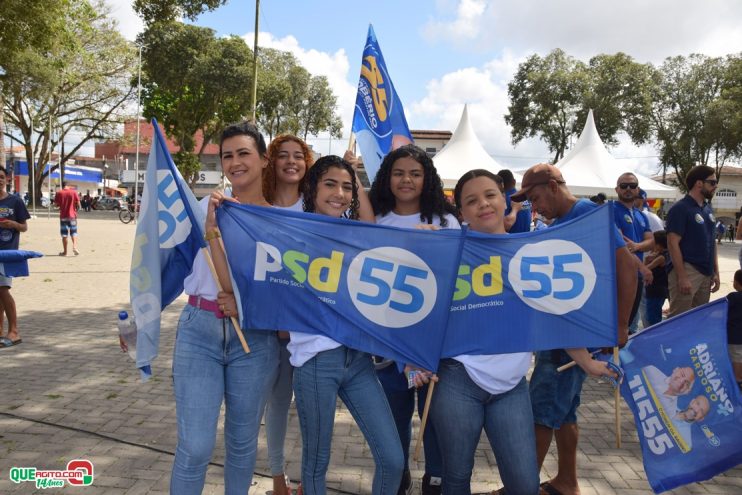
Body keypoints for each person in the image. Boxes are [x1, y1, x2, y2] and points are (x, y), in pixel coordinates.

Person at [511, 163, 636, 495]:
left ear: (553, 186)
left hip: (570, 336)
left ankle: (520, 489)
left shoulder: (584, 213)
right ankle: (567, 481)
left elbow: (626, 266)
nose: (534, 208)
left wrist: (621, 325)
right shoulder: (565, 219)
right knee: (564, 412)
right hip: (567, 332)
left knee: (541, 412)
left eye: (536, 198)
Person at [170, 121, 280, 494]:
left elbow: (274, 288)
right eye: (227, 155)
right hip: (198, 331)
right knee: (195, 446)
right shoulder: (201, 207)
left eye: (244, 153)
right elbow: (161, 264)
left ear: (264, 160)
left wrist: (245, 303)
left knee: (242, 444)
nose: (235, 162)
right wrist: (143, 315)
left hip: (254, 341)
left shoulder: (278, 221)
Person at [288, 155, 404, 495]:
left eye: (347, 188)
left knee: (393, 459)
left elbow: (372, 225)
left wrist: (354, 172)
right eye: (330, 184)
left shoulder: (355, 232)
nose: (339, 193)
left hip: (358, 361)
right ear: (311, 187)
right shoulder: (291, 228)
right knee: (316, 463)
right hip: (314, 362)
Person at [428, 169, 539, 495]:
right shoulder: (445, 250)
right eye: (471, 201)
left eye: (490, 195)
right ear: (460, 212)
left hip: (513, 386)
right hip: (457, 381)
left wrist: (588, 362)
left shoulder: (531, 252)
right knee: (457, 478)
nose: (484, 205)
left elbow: (555, 316)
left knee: (525, 484)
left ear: (504, 198)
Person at [368, 144, 455, 495]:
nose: (406, 180)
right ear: (387, 177)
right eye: (399, 173)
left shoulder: (445, 221)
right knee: (392, 424)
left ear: (427, 179)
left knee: (435, 423)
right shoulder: (374, 219)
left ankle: (434, 481)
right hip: (387, 345)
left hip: (436, 346)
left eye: (415, 174)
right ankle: (396, 480)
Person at [260, 134, 316, 495]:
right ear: (271, 162)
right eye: (284, 156)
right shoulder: (255, 207)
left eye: (300, 156)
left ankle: (311, 480)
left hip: (308, 330)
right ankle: (278, 479)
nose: (292, 162)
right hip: (266, 330)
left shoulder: (316, 210)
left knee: (313, 408)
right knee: (276, 405)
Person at [666, 165, 720, 318]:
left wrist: (715, 272)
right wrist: (682, 276)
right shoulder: (680, 208)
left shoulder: (708, 209)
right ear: (699, 183)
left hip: (706, 272)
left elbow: (712, 241)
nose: (716, 186)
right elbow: (672, 243)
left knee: (699, 320)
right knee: (679, 319)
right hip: (688, 270)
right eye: (712, 182)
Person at [613, 173, 654, 335]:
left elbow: (650, 241)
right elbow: (620, 243)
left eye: (632, 185)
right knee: (618, 323)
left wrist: (637, 246)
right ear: (617, 189)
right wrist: (643, 268)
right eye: (624, 186)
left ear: (638, 189)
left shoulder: (640, 215)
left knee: (629, 324)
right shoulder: (611, 210)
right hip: (620, 275)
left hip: (636, 276)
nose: (628, 189)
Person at [0, 166, 30, 349]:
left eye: (1, 177)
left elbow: (24, 227)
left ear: (6, 180)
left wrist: (13, 225)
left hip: (6, 253)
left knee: (3, 289)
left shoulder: (15, 201)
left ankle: (14, 331)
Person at [644, 231, 669, 327]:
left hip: (656, 291)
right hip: (657, 290)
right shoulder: (662, 255)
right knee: (653, 315)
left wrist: (646, 259)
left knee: (652, 318)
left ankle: (655, 337)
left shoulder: (661, 258)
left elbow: (644, 269)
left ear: (659, 244)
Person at [497, 169, 531, 233]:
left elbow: (504, 226)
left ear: (499, 185)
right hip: (526, 239)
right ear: (514, 181)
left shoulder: (502, 201)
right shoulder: (525, 198)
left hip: (510, 240)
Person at [54, 181, 81, 256]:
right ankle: (75, 247)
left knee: (64, 234)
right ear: (68, 185)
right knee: (74, 232)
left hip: (63, 217)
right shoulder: (74, 192)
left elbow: (55, 205)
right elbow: (79, 205)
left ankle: (65, 252)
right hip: (72, 216)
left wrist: (60, 205)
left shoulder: (59, 193)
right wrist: (75, 211)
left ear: (62, 186)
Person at [726, 270, 742, 384]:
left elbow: (722, 307)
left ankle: (737, 379)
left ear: (736, 283)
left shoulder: (733, 297)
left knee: (736, 356)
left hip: (735, 335)